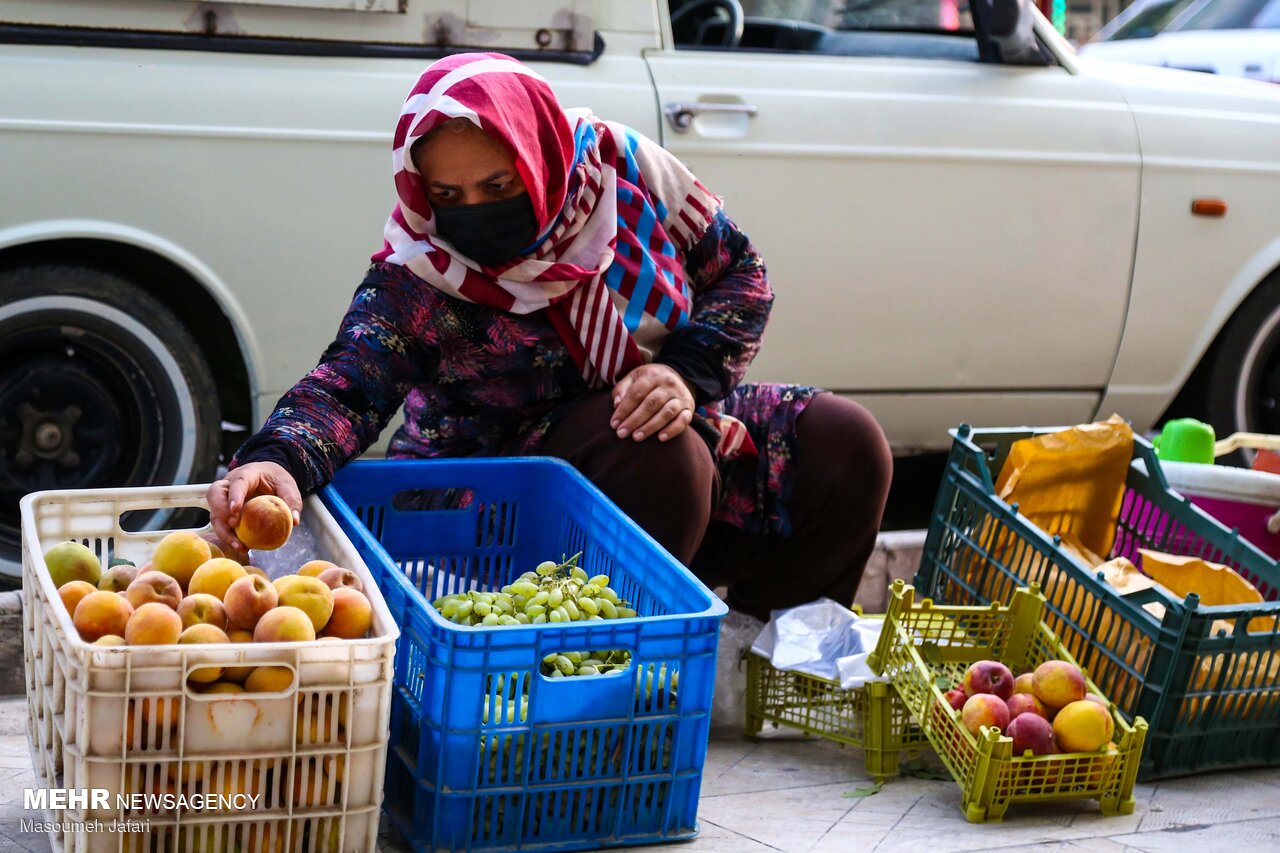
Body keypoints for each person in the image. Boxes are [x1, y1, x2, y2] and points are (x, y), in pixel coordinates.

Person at [206, 52, 891, 622]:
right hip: (496, 503)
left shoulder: (620, 172)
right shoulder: (418, 273)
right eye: (449, 195)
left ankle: (756, 648)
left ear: (539, 157)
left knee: (841, 440)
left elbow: (740, 275)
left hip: (638, 430)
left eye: (498, 184)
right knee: (663, 455)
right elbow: (346, 386)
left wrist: (684, 372)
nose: (472, 213)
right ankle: (597, 672)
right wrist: (277, 462)